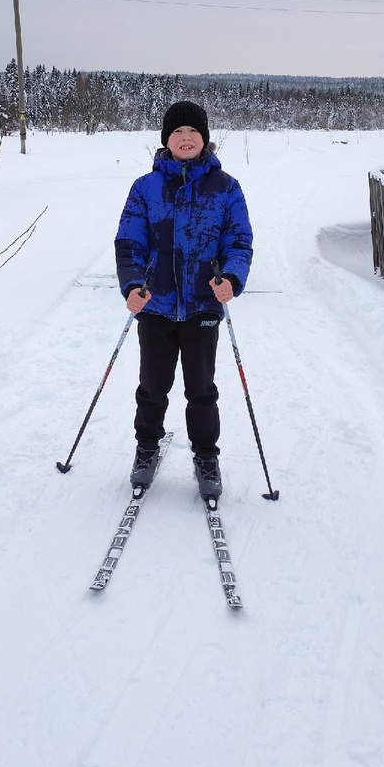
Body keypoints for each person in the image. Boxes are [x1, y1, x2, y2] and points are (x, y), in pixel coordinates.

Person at [114, 101, 253, 501]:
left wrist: (231, 278)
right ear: (166, 140)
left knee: (201, 388)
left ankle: (206, 456)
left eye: (193, 131)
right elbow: (129, 242)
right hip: (155, 304)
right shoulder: (145, 188)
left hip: (202, 305)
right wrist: (132, 285)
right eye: (177, 131)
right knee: (152, 386)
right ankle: (146, 448)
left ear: (204, 138)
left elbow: (238, 242)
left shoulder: (226, 188)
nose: (186, 138)